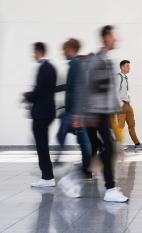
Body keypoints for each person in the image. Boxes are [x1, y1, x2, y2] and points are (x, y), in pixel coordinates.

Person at [84, 25, 128, 202]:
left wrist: (115, 109)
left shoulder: (105, 60)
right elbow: (94, 90)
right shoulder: (99, 61)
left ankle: (107, 185)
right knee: (109, 149)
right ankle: (109, 188)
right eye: (113, 36)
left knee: (109, 149)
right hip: (97, 113)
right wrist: (90, 115)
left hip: (101, 112)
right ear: (106, 38)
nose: (116, 39)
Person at [55, 38, 92, 179]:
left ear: (70, 49)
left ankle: (85, 167)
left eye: (64, 49)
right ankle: (85, 167)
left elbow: (78, 90)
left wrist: (76, 114)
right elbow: (70, 87)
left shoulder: (76, 64)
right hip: (72, 111)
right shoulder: (75, 64)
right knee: (74, 137)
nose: (62, 52)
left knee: (83, 140)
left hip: (74, 112)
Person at [24, 42, 57, 187]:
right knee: (42, 145)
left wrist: (28, 96)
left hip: (41, 113)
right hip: (47, 111)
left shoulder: (44, 68)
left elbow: (39, 91)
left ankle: (47, 177)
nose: (33, 55)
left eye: (34, 52)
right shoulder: (51, 68)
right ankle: (47, 176)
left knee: (41, 146)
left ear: (39, 52)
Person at [117, 60, 142, 150]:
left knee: (132, 125)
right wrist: (120, 104)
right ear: (122, 67)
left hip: (128, 104)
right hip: (122, 105)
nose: (129, 68)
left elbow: (125, 92)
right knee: (120, 126)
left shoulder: (126, 78)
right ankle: (118, 146)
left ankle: (137, 144)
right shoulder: (118, 77)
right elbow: (114, 92)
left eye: (129, 66)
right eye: (127, 66)